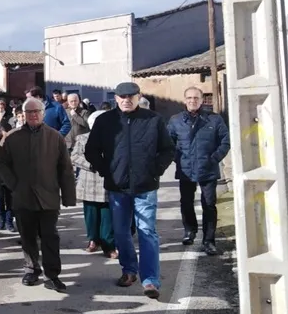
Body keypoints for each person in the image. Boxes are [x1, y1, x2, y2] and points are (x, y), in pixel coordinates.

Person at [85, 82, 175, 299]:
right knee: (122, 232)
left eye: (131, 96)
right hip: (117, 187)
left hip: (146, 186)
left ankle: (151, 280)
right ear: (115, 98)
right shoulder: (105, 121)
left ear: (138, 96)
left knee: (147, 231)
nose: (126, 100)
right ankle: (129, 271)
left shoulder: (153, 120)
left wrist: (155, 170)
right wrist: (107, 171)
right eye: (122, 96)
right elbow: (91, 150)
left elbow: (168, 150)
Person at [0, 97, 77, 292]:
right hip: (22, 197)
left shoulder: (55, 137)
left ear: (43, 113)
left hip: (48, 197)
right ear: (23, 114)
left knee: (50, 237)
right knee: (28, 237)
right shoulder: (12, 137)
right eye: (29, 112)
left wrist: (68, 196)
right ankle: (32, 269)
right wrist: (14, 185)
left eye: (37, 111)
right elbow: (1, 163)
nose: (33, 115)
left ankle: (52, 275)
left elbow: (65, 168)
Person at [168, 86, 231, 256]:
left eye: (196, 98)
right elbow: (168, 143)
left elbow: (225, 141)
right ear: (185, 100)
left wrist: (214, 158)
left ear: (202, 100)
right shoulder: (175, 120)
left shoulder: (214, 120)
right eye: (189, 98)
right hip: (186, 169)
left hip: (208, 169)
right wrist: (178, 158)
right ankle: (190, 231)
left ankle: (209, 240)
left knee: (209, 204)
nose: (192, 101)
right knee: (186, 202)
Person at [70, 111, 117, 258]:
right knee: (91, 215)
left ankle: (108, 245)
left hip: (107, 182)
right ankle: (93, 240)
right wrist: (91, 165)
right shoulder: (82, 138)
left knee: (107, 215)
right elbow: (75, 156)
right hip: (89, 181)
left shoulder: (114, 138)